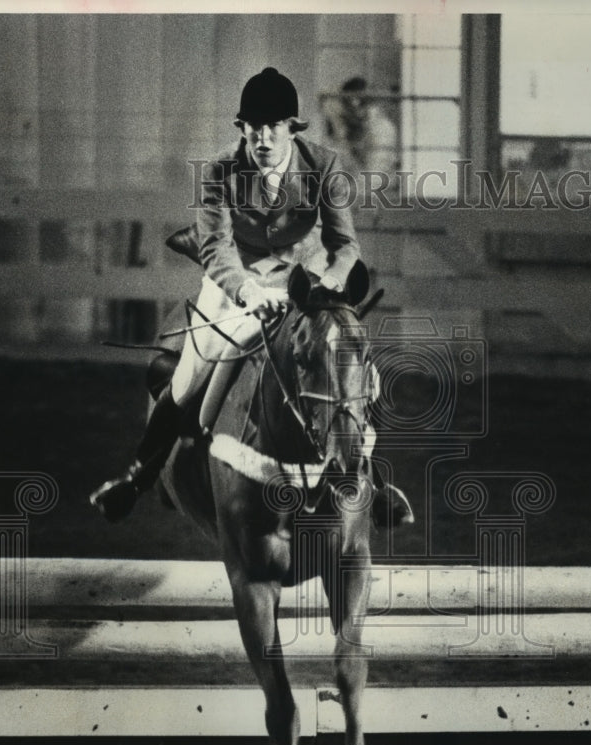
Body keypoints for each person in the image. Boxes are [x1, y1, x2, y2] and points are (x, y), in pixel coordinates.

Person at [90, 67, 412, 527]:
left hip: (307, 277)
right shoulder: (220, 170)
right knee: (188, 373)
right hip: (236, 277)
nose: (262, 139)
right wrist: (247, 290)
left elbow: (346, 246)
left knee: (358, 369)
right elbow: (214, 247)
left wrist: (331, 284)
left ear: (291, 128)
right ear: (242, 128)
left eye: (273, 128)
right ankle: (140, 475)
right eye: (253, 129)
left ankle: (376, 484)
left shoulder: (323, 165)